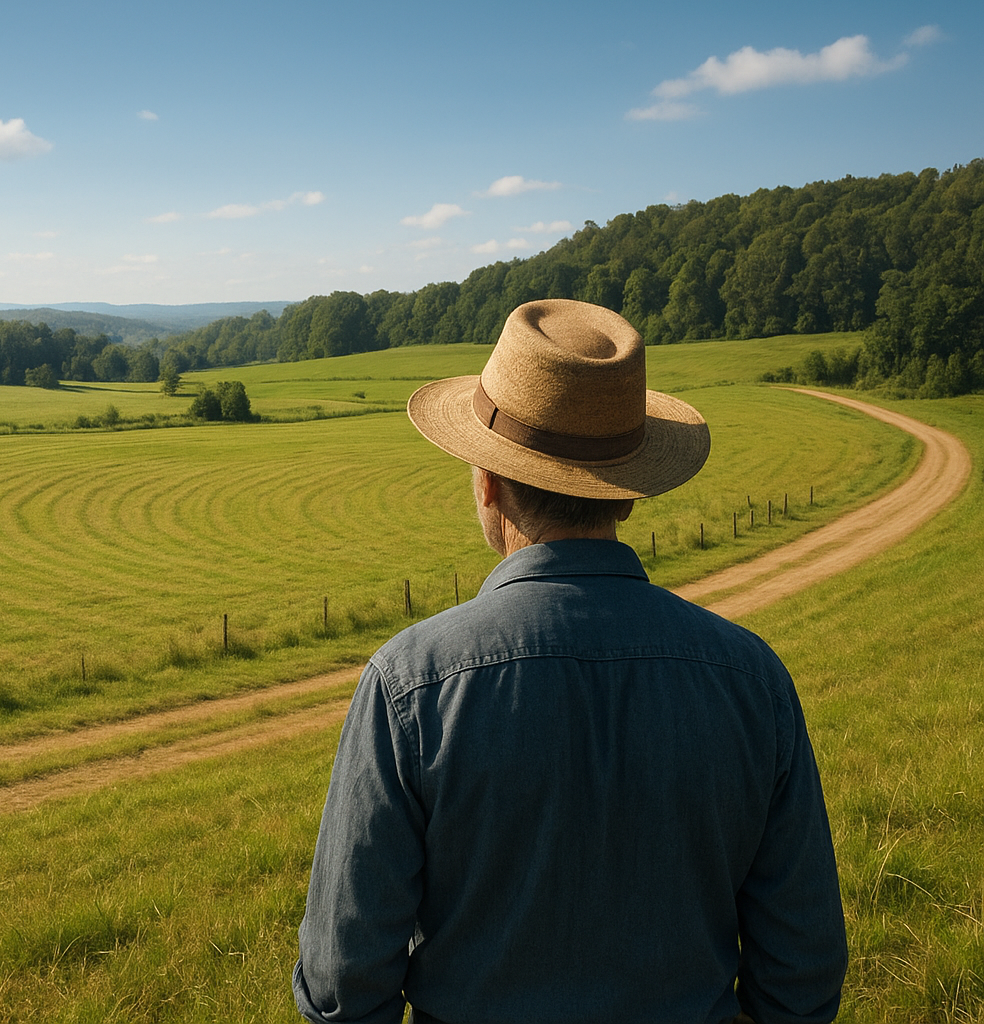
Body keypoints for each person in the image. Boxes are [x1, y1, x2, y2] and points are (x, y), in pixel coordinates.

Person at [293, 299, 846, 1024]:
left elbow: (344, 980)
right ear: (627, 499)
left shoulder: (409, 684)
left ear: (488, 484)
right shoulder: (751, 677)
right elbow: (802, 970)